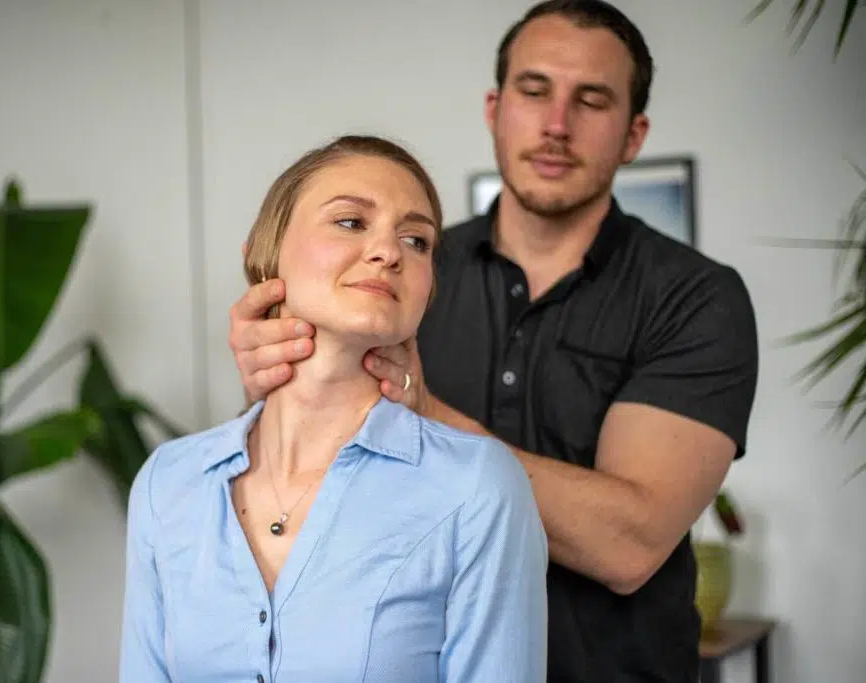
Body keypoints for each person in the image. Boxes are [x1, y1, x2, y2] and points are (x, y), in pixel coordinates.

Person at [227, 2, 759, 682]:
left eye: (591, 100)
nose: (556, 124)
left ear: (634, 134)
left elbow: (631, 545)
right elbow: (310, 462)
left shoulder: (694, 297)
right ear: (495, 106)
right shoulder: (407, 274)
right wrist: (275, 373)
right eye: (534, 90)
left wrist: (422, 411)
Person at [119, 134, 548, 683]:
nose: (389, 251)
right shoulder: (169, 483)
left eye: (416, 240)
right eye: (351, 222)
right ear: (264, 252)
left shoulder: (476, 487)